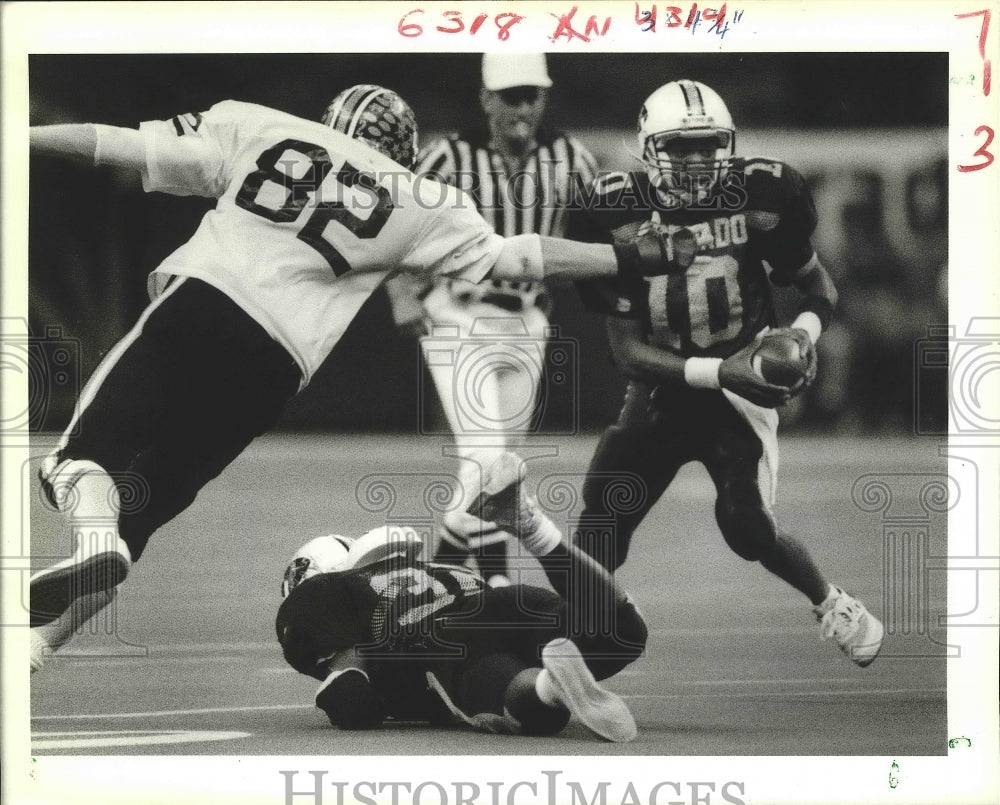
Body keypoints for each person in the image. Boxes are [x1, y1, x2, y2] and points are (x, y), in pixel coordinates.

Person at [27, 84, 685, 673]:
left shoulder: (259, 125)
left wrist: (23, 137)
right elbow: (522, 255)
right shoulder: (422, 198)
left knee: (75, 460)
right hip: (277, 367)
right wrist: (630, 255)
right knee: (136, 521)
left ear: (330, 123)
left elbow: (114, 145)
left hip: (208, 302)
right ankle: (36, 647)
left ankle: (93, 543)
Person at [566, 79, 885, 667]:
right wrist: (721, 371)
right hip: (664, 384)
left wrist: (802, 335)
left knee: (746, 526)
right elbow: (628, 352)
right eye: (679, 147)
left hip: (741, 391)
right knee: (601, 523)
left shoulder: (762, 194)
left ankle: (833, 602)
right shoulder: (616, 212)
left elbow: (820, 288)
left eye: (707, 145)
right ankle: (573, 640)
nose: (696, 160)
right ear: (649, 148)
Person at [384, 54, 599, 588]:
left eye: (531, 95)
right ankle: (497, 588)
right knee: (486, 462)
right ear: (486, 99)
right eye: (510, 96)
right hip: (459, 316)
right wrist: (401, 294)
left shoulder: (572, 157)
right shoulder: (448, 155)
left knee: (492, 469)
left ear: (544, 98)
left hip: (527, 321)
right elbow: (392, 221)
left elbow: (599, 229)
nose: (522, 108)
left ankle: (433, 587)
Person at [276, 453, 647, 741]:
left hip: (447, 642)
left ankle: (550, 688)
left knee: (531, 708)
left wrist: (340, 693)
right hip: (502, 603)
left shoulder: (329, 593)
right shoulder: (424, 568)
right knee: (623, 633)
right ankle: (536, 531)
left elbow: (354, 698)